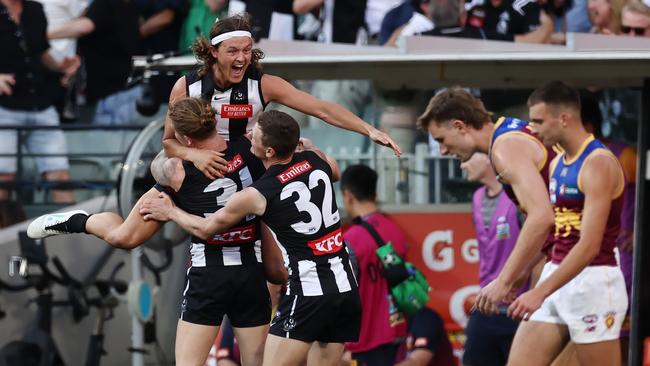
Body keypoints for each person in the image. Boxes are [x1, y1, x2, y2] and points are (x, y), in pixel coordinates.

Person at [27, 97, 287, 366]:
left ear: (185, 138)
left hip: (229, 268)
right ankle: (75, 221)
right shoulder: (247, 147)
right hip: (228, 269)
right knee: (124, 237)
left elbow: (159, 164)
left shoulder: (180, 167)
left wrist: (172, 205)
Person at [140, 109, 361, 366]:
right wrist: (302, 146)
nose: (248, 134)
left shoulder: (257, 194)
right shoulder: (316, 158)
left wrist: (171, 211)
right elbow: (335, 171)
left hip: (309, 289)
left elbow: (205, 229)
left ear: (269, 151)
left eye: (255, 133)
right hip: (345, 285)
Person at [163, 13, 400, 181]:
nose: (242, 58)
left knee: (327, 165)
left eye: (246, 50)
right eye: (233, 51)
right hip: (204, 163)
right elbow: (168, 142)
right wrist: (194, 155)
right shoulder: (186, 87)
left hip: (250, 158)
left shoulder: (263, 84)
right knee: (164, 168)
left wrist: (369, 130)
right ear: (214, 52)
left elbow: (321, 109)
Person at [506, 81, 628, 366]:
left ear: (564, 119)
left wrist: (539, 291)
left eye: (538, 121)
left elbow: (589, 246)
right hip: (557, 275)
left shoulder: (599, 163)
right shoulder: (557, 162)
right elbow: (555, 231)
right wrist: (519, 274)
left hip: (593, 281)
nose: (532, 129)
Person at [417, 87, 555, 315]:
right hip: (572, 255)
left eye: (441, 140)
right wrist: (521, 271)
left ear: (460, 127)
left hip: (583, 261)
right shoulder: (508, 130)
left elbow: (542, 218)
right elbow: (555, 220)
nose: (442, 151)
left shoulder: (503, 149)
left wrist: (504, 280)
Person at [0, 0, 80, 203]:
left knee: (60, 176)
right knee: (3, 179)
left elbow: (41, 52)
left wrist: (61, 67)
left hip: (41, 104)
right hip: (5, 107)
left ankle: (68, 233)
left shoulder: (35, 9)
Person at [338, 164, 408, 366]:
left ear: (348, 195)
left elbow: (344, 294)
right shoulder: (394, 229)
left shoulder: (351, 239)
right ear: (375, 193)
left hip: (364, 340)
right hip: (397, 332)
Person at [460, 152, 525, 366]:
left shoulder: (519, 197)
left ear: (487, 158)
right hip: (487, 305)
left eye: (467, 159)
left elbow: (540, 251)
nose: (463, 166)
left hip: (517, 307)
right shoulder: (477, 197)